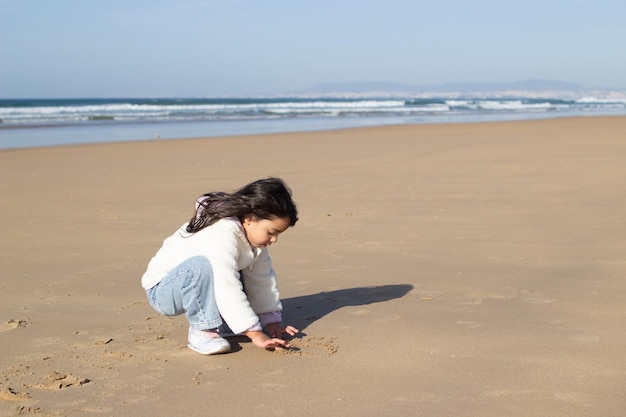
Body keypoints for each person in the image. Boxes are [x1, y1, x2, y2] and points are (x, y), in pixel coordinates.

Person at [141, 177, 299, 355]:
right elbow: (225, 286)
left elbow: (262, 280)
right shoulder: (220, 235)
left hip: (199, 282)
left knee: (238, 271)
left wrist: (271, 321)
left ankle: (224, 324)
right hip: (164, 291)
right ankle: (202, 332)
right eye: (271, 232)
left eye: (279, 234)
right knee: (203, 266)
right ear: (249, 219)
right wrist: (255, 334)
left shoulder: (256, 243)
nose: (274, 239)